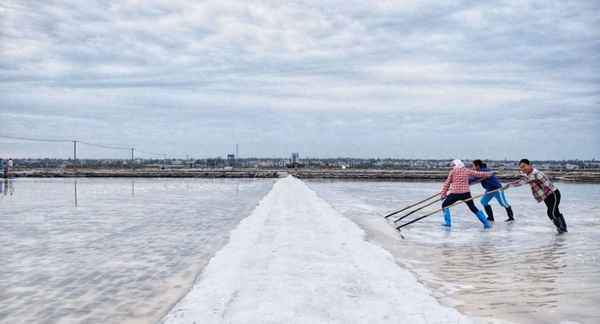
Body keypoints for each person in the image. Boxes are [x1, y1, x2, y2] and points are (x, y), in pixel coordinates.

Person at [507, 159, 567, 233]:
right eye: (521, 168)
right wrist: (509, 185)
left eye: (524, 166)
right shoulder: (528, 175)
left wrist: (514, 182)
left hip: (553, 193)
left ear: (529, 165)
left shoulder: (536, 173)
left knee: (552, 213)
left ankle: (562, 230)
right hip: (546, 196)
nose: (523, 169)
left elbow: (527, 180)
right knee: (554, 212)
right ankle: (562, 231)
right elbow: (522, 182)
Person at [440, 159, 494, 228]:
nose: (452, 166)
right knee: (473, 208)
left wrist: (443, 194)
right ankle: (486, 223)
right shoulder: (466, 170)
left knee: (444, 205)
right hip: (466, 194)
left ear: (455, 165)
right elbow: (478, 174)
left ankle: (448, 223)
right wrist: (489, 173)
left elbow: (447, 184)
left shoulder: (452, 172)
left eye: (453, 165)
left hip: (455, 194)